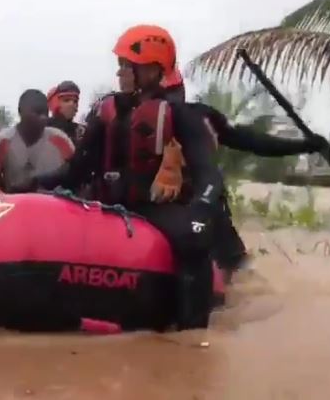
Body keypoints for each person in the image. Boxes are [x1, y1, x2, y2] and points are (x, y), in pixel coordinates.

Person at [36, 25, 228, 330]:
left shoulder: (180, 115)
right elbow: (76, 169)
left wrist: (202, 208)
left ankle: (191, 333)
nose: (120, 73)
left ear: (151, 70)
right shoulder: (106, 110)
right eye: (120, 66)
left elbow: (207, 172)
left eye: (127, 66)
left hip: (153, 206)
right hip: (107, 202)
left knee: (193, 241)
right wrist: (36, 186)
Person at [150, 68, 330, 280]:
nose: (171, 104)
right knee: (239, 277)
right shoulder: (123, 118)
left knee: (239, 276)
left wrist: (304, 146)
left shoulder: (200, 117)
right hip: (175, 212)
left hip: (200, 212)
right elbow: (251, 142)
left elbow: (252, 141)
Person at [0, 89, 75, 194]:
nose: (43, 118)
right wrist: (6, 198)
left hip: (55, 205)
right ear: (20, 112)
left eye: (45, 113)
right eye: (37, 113)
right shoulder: (3, 140)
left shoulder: (60, 139)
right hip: (16, 204)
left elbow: (77, 172)